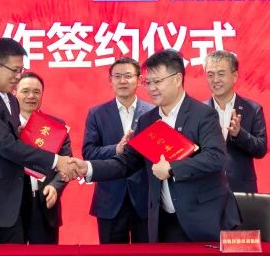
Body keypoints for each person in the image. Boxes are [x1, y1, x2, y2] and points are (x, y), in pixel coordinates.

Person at [69, 49, 241, 242]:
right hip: (163, 222)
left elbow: (216, 157)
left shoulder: (203, 114)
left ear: (177, 79)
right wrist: (88, 168)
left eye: (157, 81)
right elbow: (126, 162)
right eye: (148, 82)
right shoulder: (147, 120)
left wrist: (172, 168)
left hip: (202, 218)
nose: (151, 88)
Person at [0, 38, 83, 244]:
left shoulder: (10, 99)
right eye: (14, 70)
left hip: (6, 207)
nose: (18, 76)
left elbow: (11, 140)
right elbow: (5, 145)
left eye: (21, 70)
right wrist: (56, 161)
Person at [83, 57, 153, 243]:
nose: (123, 81)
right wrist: (116, 149)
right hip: (109, 197)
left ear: (139, 80)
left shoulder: (153, 112)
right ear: (110, 80)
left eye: (128, 76)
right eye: (117, 76)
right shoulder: (97, 113)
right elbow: (88, 152)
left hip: (145, 199)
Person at [14, 71, 71, 244]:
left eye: (36, 92)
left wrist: (55, 186)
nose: (31, 96)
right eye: (25, 91)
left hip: (45, 203)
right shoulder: (5, 125)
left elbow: (67, 162)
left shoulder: (56, 126)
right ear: (14, 92)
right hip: (12, 206)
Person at [203, 50, 268, 193]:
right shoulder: (199, 111)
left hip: (241, 190)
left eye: (221, 74)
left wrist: (239, 134)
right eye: (210, 75)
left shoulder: (252, 109)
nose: (215, 80)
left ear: (234, 76)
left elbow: (261, 149)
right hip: (206, 190)